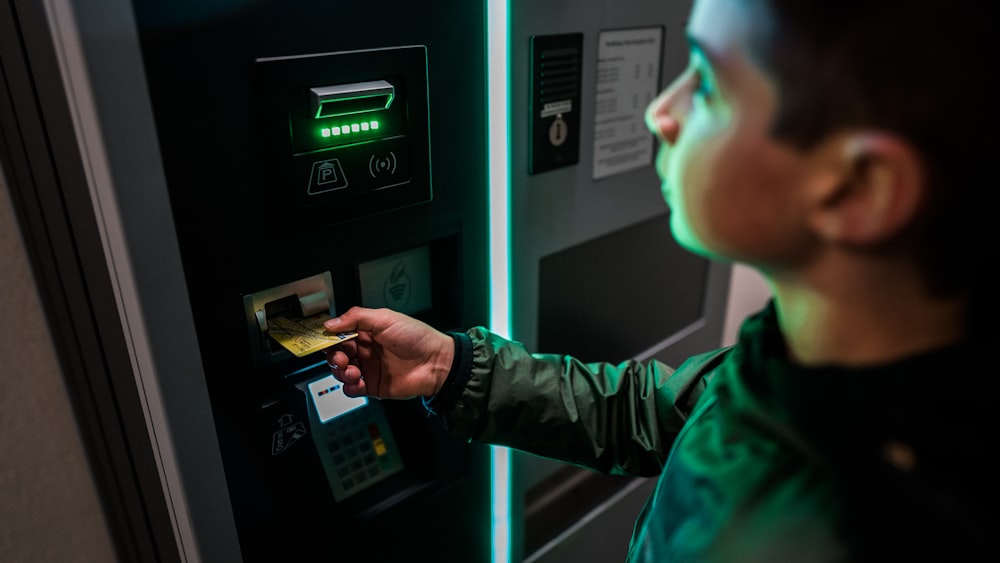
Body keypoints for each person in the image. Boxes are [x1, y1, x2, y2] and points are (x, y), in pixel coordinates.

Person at [324, 0, 997, 560]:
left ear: (860, 189)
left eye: (705, 81)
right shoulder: (791, 365)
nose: (660, 112)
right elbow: (646, 414)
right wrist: (454, 365)